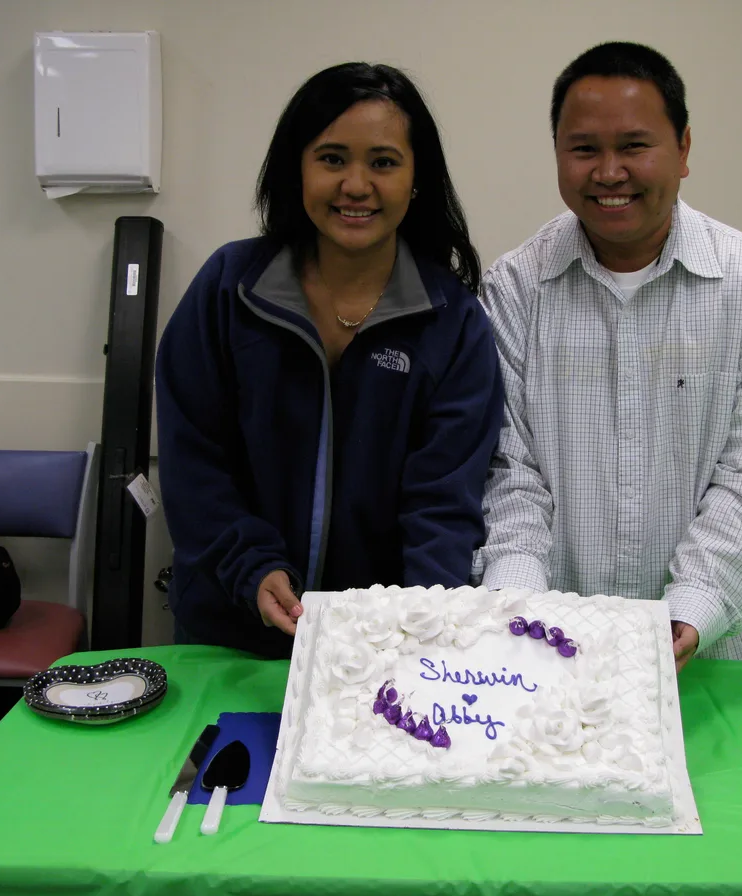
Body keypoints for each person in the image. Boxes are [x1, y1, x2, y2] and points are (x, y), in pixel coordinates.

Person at [477, 42, 742, 669]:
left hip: (705, 656)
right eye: (584, 149)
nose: (609, 173)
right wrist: (519, 608)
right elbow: (507, 471)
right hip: (544, 660)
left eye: (634, 146)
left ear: (683, 149)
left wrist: (692, 609)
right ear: (557, 154)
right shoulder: (514, 289)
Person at [156, 62, 503, 658]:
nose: (356, 185)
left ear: (417, 179)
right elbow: (193, 461)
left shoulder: (454, 323)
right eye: (333, 158)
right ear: (297, 168)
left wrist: (419, 628)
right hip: (231, 629)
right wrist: (252, 566)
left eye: (384, 162)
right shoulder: (229, 289)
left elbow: (445, 504)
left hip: (380, 647)